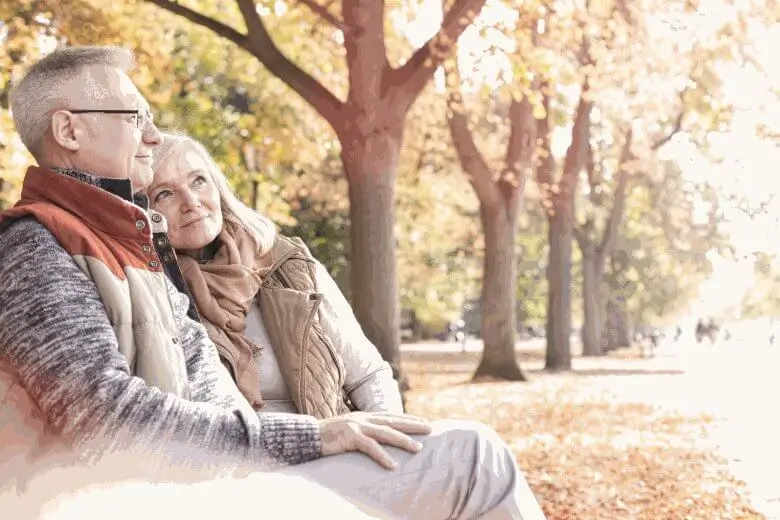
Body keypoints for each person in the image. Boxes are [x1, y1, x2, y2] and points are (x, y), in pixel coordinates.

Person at [0, 45, 546, 519]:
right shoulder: (35, 246)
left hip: (213, 487)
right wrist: (314, 435)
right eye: (134, 115)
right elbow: (109, 425)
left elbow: (219, 403)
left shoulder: (137, 248)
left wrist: (332, 439)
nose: (153, 134)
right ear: (70, 129)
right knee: (474, 461)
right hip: (142, 504)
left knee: (469, 450)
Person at [147, 131, 402, 418]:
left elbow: (369, 377)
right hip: (248, 457)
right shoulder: (150, 291)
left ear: (217, 187)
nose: (191, 201)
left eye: (198, 181)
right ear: (144, 212)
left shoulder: (289, 264)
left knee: (459, 442)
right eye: (164, 193)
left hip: (342, 446)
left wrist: (388, 446)